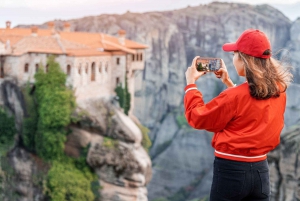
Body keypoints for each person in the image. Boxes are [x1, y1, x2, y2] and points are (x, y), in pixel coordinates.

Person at [184, 29, 293, 201]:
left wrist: (190, 84)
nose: (233, 59)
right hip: (261, 172)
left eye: (235, 54)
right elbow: (250, 106)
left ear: (244, 59)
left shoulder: (235, 96)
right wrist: (228, 83)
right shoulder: (279, 90)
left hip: (231, 172)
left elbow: (198, 118)